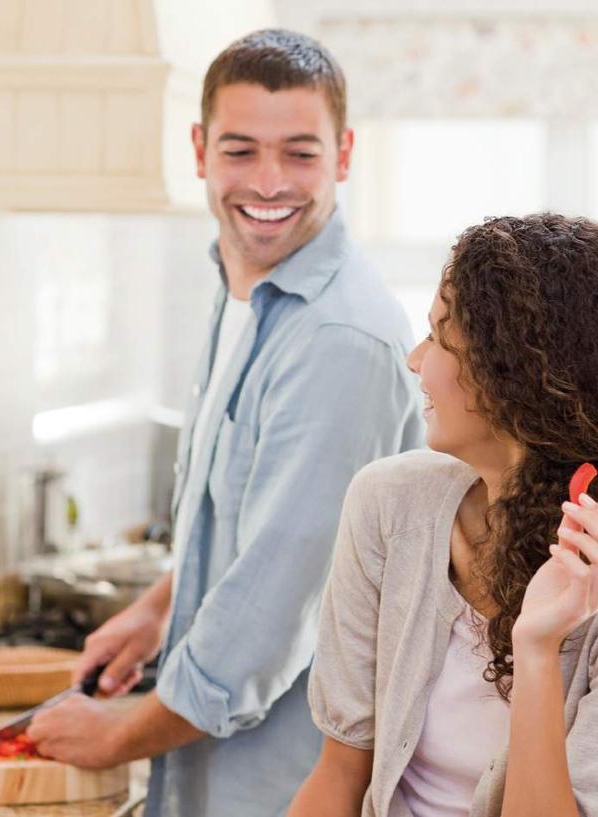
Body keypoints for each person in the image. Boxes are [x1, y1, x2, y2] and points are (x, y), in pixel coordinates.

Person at [27, 29, 424, 817]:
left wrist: (113, 733)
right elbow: (242, 521)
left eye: (300, 154)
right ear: (200, 149)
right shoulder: (249, 289)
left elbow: (269, 616)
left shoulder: (336, 339)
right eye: (241, 150)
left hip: (283, 788)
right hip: (215, 776)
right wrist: (155, 611)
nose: (269, 183)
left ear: (344, 155)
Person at [287, 212, 598, 817]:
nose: (414, 360)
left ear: (512, 373)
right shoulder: (389, 503)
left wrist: (536, 649)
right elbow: (339, 776)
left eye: (438, 334)